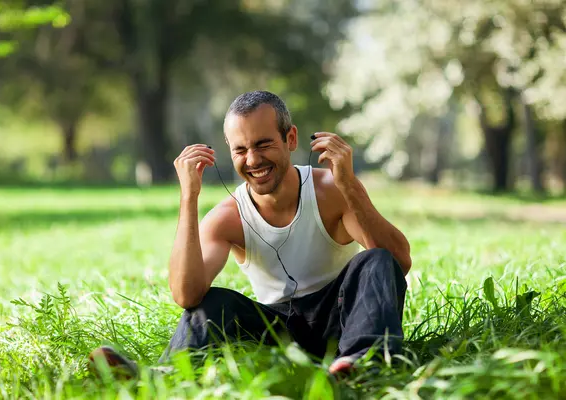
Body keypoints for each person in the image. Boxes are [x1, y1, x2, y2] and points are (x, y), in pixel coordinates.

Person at [89, 91, 411, 377]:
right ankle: (159, 378)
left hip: (342, 317)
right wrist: (189, 197)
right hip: (277, 331)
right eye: (240, 150)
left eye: (264, 144)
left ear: (291, 139)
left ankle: (364, 363)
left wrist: (350, 185)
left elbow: (397, 262)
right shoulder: (227, 217)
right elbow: (186, 295)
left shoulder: (332, 189)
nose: (253, 160)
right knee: (210, 301)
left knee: (375, 259)